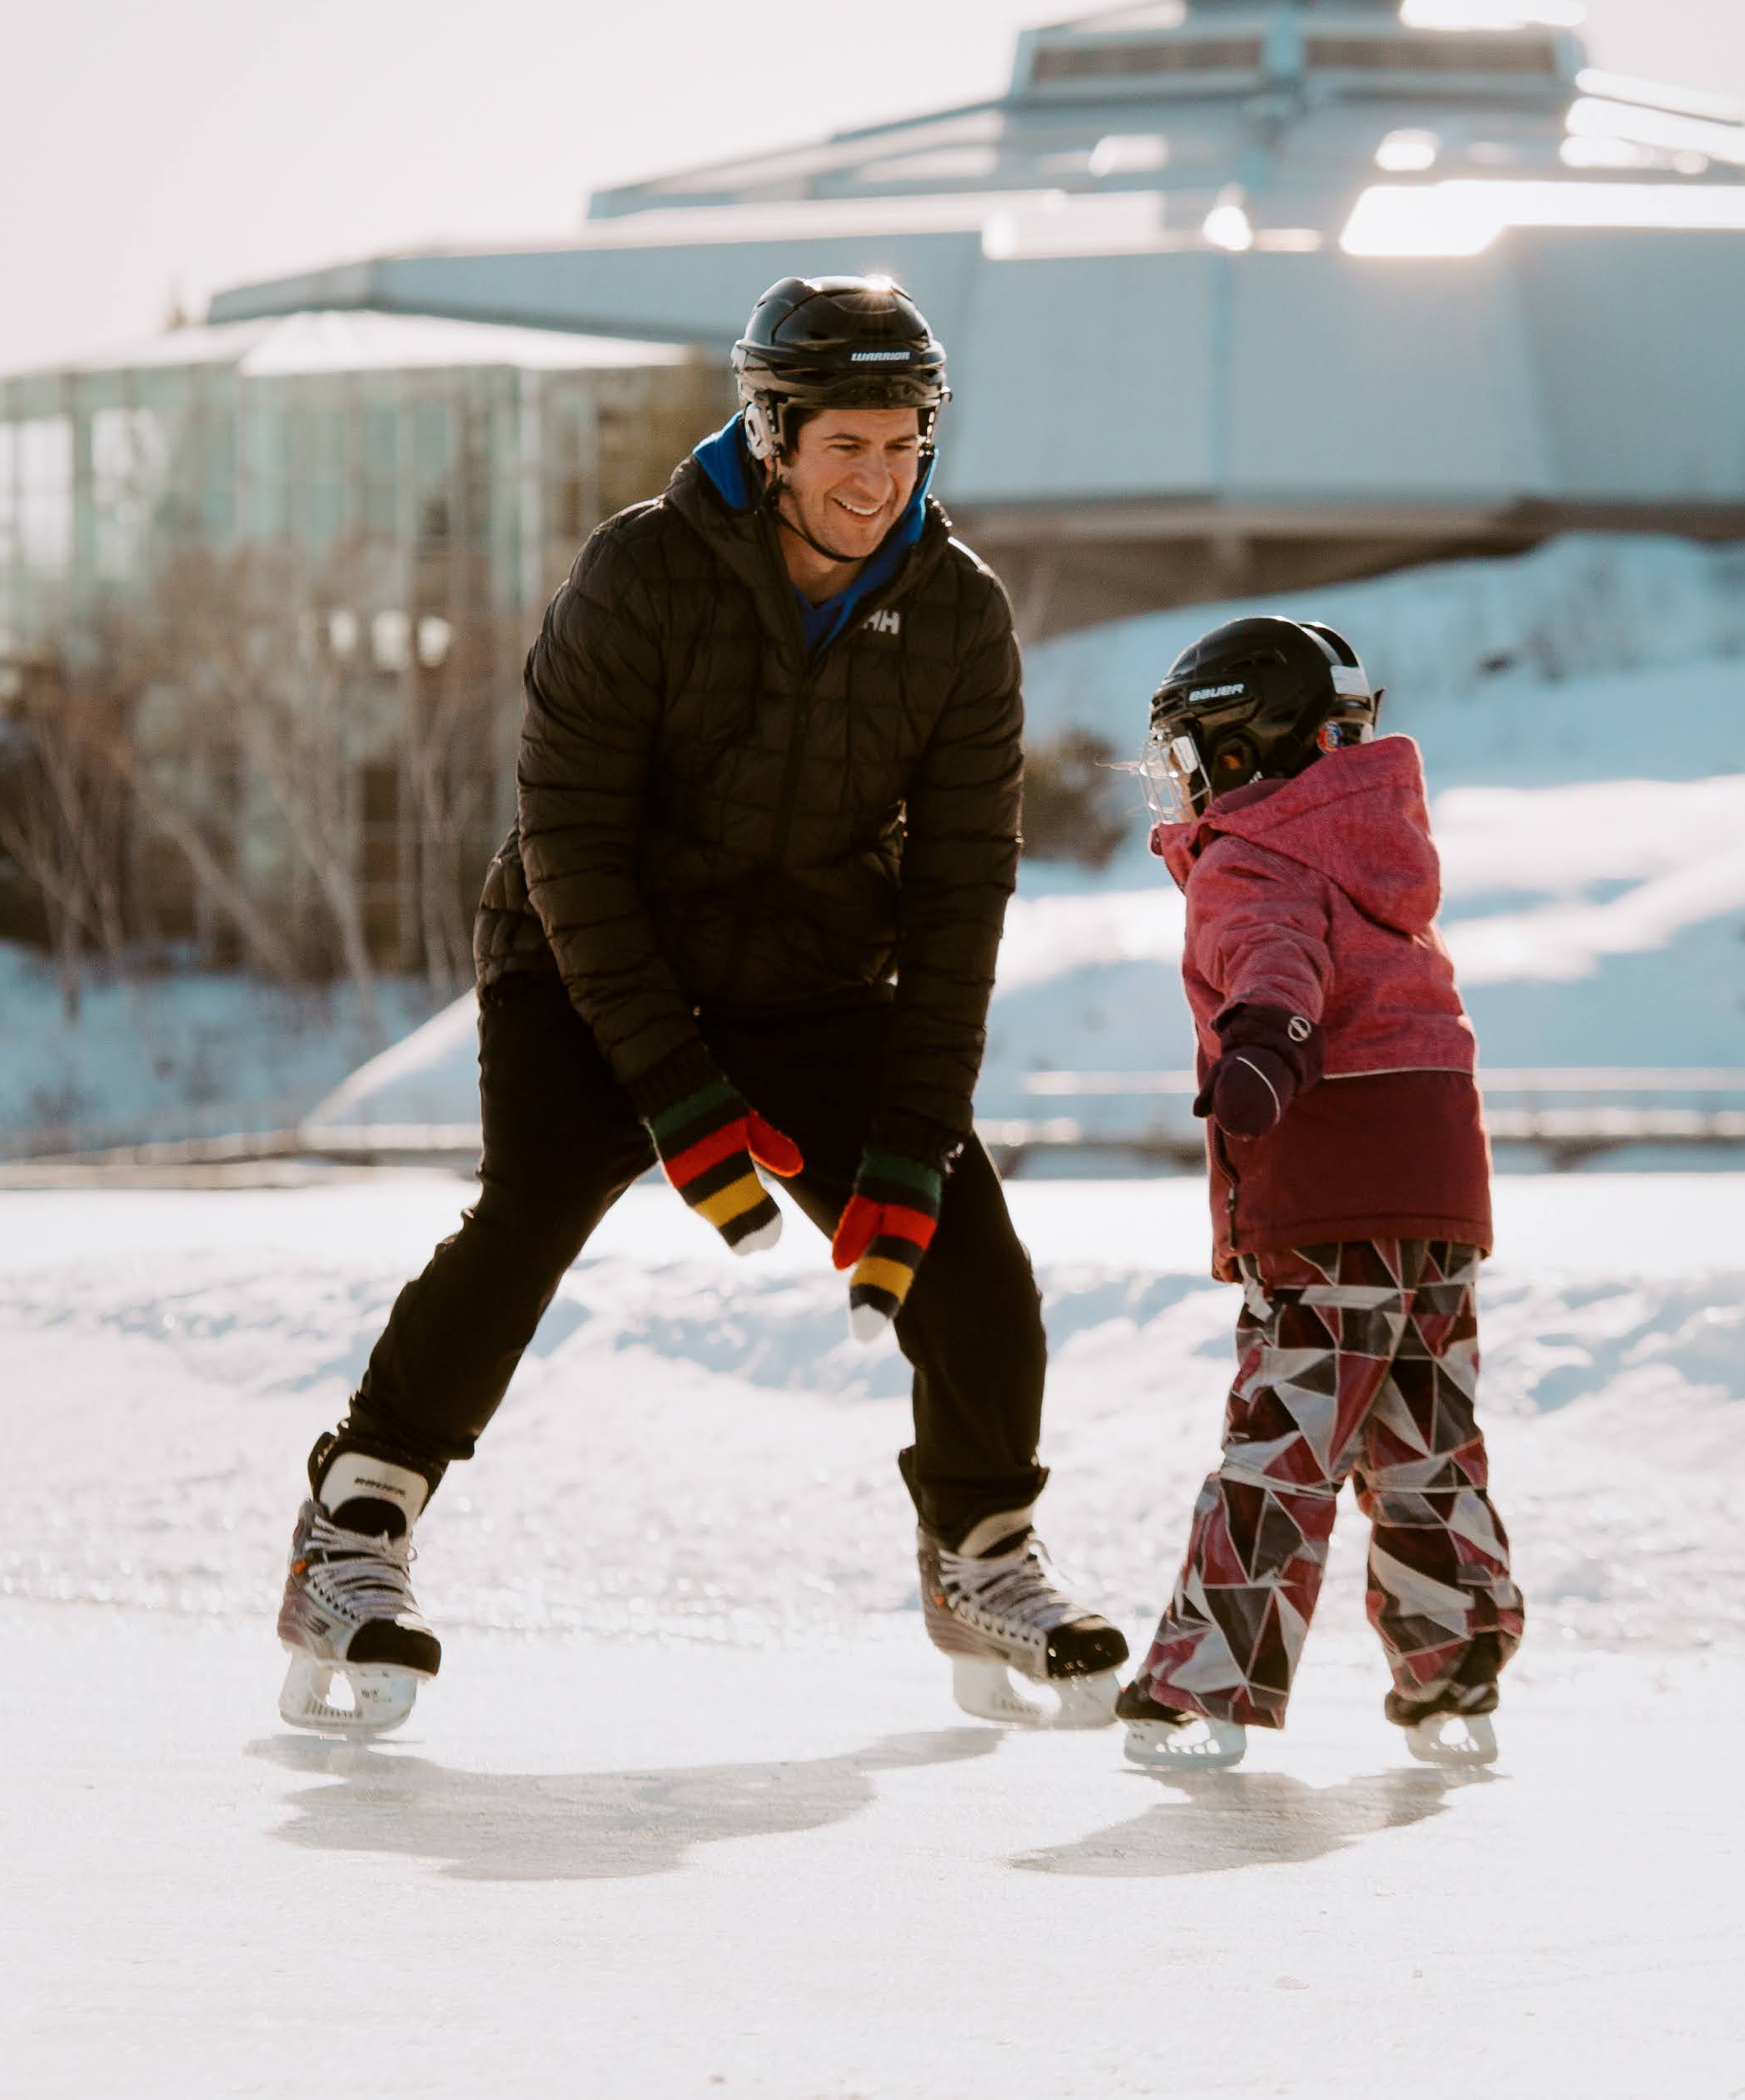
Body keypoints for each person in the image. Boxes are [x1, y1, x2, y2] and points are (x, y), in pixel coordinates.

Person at [275, 276, 1127, 1734]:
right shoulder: (643, 575)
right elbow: (570, 846)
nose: (878, 477)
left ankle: (980, 1549)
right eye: (847, 444)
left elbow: (961, 893)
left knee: (970, 1255)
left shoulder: (957, 618)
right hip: (586, 959)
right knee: (531, 1213)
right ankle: (356, 1527)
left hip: (808, 982)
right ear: (774, 433)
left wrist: (916, 1144)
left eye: (904, 443)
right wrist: (675, 1097)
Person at [1112, 616, 1523, 1772]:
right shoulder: (1378, 847)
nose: (1189, 773)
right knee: (1421, 1437)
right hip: (1436, 1183)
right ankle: (1454, 1660)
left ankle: (1208, 1682)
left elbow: (1277, 965)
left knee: (1283, 1439)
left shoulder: (1256, 853)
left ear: (1246, 748)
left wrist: (1264, 1051)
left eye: (1198, 746)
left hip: (1332, 1186)